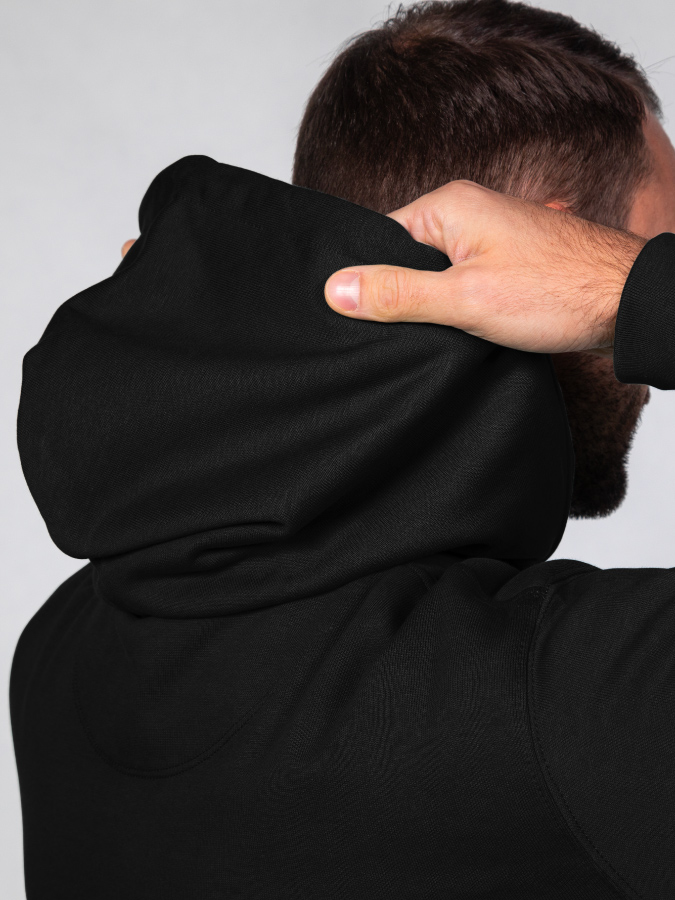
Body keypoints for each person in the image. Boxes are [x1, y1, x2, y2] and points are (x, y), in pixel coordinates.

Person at [10, 3, 675, 900]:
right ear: (544, 248)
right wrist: (629, 291)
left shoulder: (63, 649)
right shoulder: (586, 695)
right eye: (653, 247)